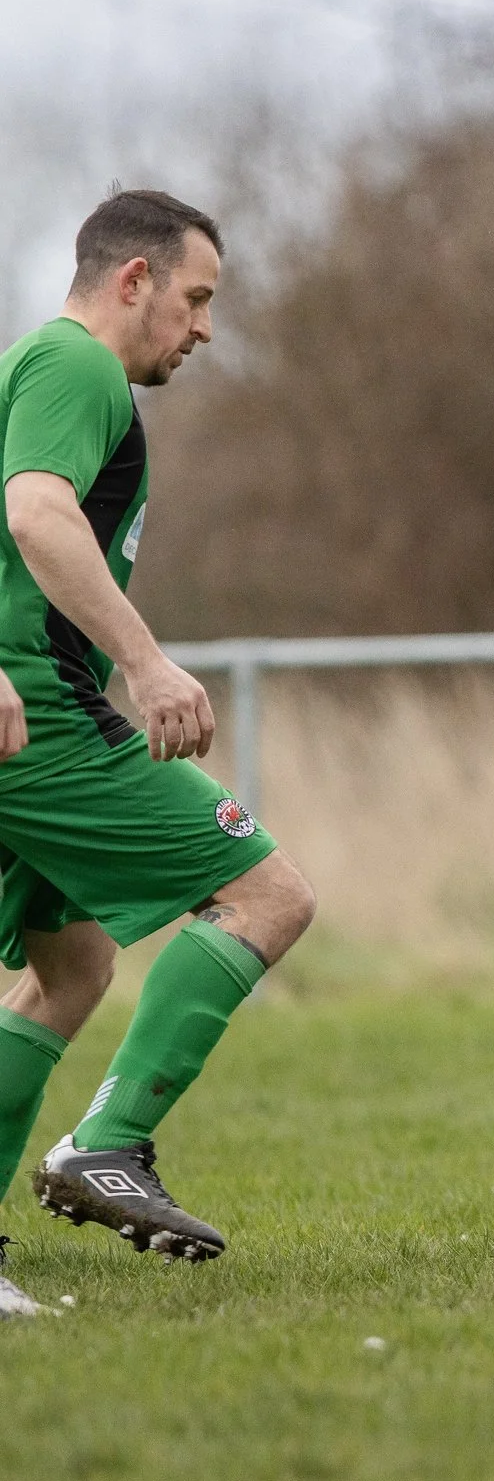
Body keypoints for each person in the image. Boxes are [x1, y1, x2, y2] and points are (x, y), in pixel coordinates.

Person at [0, 190, 318, 1308]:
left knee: (71, 969)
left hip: (21, 710)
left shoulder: (36, 369)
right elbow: (37, 514)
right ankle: (107, 1145)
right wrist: (145, 663)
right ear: (133, 280)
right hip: (42, 715)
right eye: (196, 299)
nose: (205, 329)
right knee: (267, 893)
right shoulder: (76, 366)